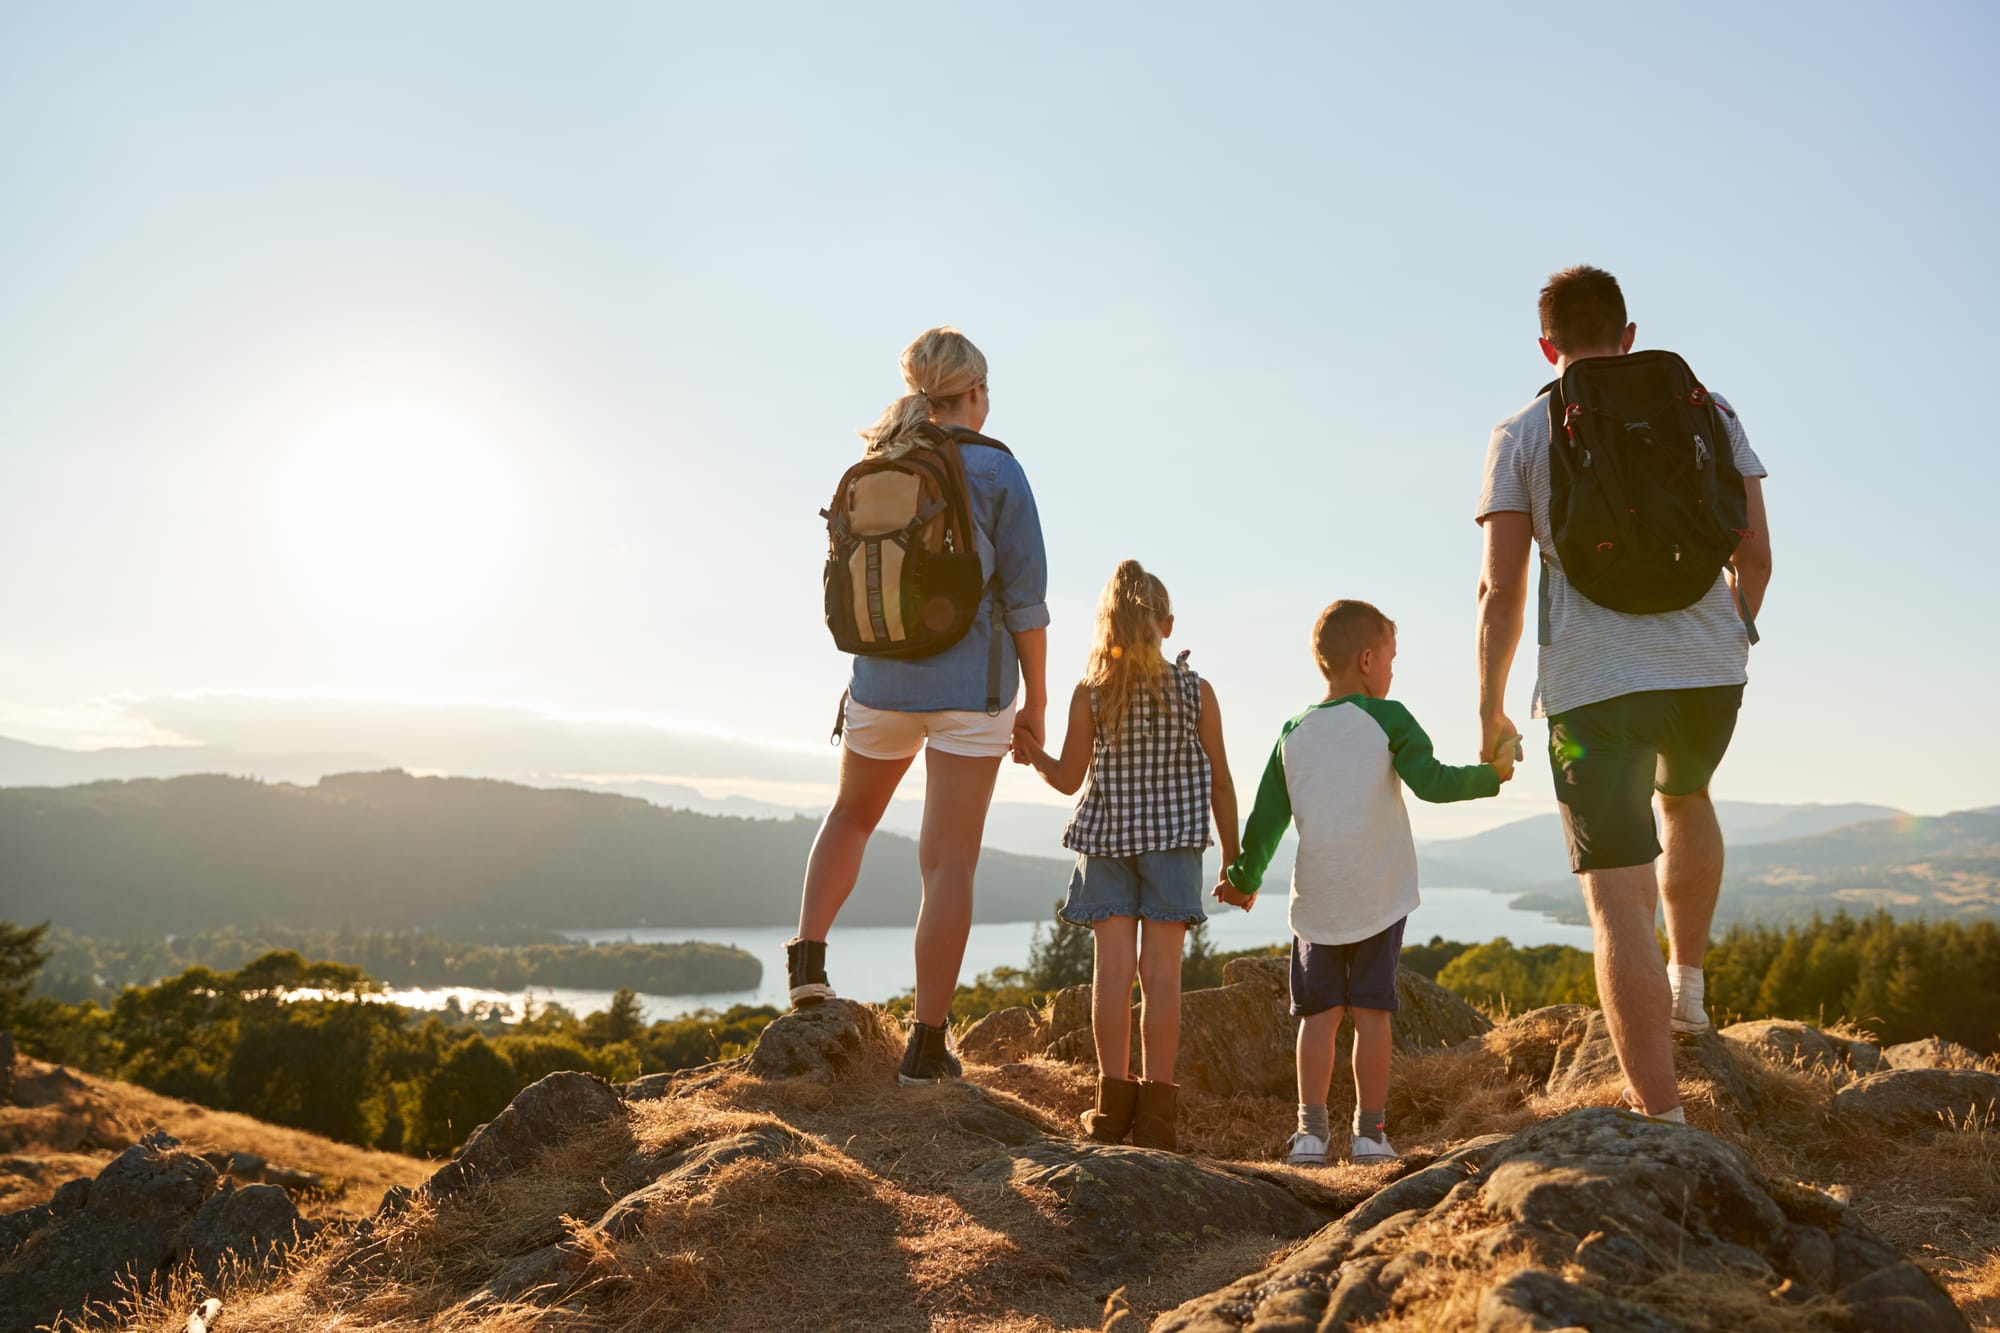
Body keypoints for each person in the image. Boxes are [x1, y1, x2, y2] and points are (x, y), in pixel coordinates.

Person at [1474, 266, 1772, 1122]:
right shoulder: (1709, 411)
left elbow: (1502, 590)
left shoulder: (1524, 431)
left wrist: (1491, 705)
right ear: (1630, 334)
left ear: (1546, 345)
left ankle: (1664, 1121)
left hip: (1595, 686)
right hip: (1711, 673)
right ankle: (1690, 989)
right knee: (1687, 797)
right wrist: (1730, 631)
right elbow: (1754, 556)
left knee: (1616, 897)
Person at [788, 327, 1050, 1087]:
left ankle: (808, 961)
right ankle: (926, 1046)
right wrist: (1034, 701)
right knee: (949, 862)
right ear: (976, 394)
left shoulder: (881, 460)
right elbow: (1026, 604)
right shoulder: (998, 469)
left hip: (880, 680)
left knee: (851, 815)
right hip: (973, 690)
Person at [1216, 600, 1512, 1165]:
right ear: (1369, 659)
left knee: (1318, 1020)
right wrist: (1492, 776)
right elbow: (1433, 782)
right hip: (1379, 896)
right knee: (1373, 1018)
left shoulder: (1292, 733)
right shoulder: (1390, 717)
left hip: (1318, 902)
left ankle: (1310, 1135)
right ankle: (1370, 1135)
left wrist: (1243, 880)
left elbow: (1265, 821)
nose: (1394, 672)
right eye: (1393, 659)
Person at [1011, 560, 1239, 1150]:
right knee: (1162, 978)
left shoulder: (1092, 692)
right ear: (1166, 623)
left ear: (1106, 626)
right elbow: (1220, 782)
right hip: (1175, 843)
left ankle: (1111, 1110)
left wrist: (1032, 753)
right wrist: (1234, 859)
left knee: (1111, 975)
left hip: (1108, 840)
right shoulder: (1197, 690)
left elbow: (1066, 780)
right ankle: (1158, 1116)